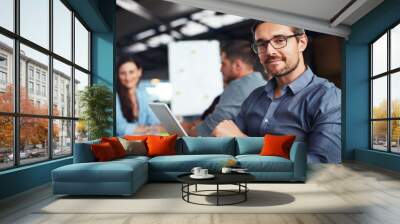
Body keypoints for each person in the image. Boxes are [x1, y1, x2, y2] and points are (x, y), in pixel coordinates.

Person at [212, 21, 341, 163]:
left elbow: (321, 163)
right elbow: (230, 139)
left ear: (301, 42)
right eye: (262, 44)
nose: (270, 51)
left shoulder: (329, 99)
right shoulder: (255, 97)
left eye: (280, 40)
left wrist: (245, 142)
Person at [186, 40, 267, 136]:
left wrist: (185, 132)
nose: (220, 69)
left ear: (237, 66)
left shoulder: (238, 86)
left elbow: (212, 127)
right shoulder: (263, 84)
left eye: (223, 64)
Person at [116, 56, 160, 136]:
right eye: (123, 73)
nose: (128, 78)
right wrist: (149, 129)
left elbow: (155, 121)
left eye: (131, 72)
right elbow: (120, 128)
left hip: (143, 142)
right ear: (118, 75)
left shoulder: (143, 94)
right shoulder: (114, 97)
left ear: (139, 72)